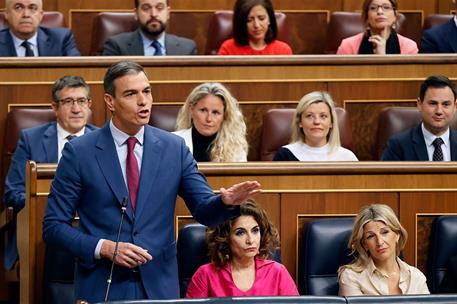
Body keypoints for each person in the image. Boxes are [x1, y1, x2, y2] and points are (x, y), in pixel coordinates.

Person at [42, 61, 261, 302]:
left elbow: (204, 211)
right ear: (110, 101)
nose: (143, 101)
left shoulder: (174, 148)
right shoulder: (79, 152)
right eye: (131, 94)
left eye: (146, 91)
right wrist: (104, 248)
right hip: (103, 285)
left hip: (158, 286)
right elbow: (53, 227)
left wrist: (225, 202)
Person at [3, 75, 95, 270]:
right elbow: (13, 194)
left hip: (91, 231)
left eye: (81, 101)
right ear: (54, 107)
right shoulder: (30, 139)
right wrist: (52, 204)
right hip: (40, 230)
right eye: (68, 102)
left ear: (89, 104)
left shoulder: (103, 140)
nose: (76, 109)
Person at [186, 199, 298, 298]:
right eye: (240, 233)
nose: (250, 240)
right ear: (225, 238)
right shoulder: (205, 275)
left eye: (255, 231)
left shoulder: (278, 272)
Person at [338, 204, 429, 296]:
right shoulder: (351, 277)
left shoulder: (416, 277)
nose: (379, 242)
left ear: (397, 234)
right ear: (364, 244)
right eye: (371, 236)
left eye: (385, 232)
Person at [381, 75, 457, 161]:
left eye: (446, 104)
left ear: (455, 107)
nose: (439, 111)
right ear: (419, 104)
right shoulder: (397, 146)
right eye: (433, 103)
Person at [273, 91, 358, 161]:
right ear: (300, 122)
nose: (317, 122)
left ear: (331, 123)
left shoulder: (347, 157)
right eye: (309, 116)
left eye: (323, 116)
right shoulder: (285, 155)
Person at [174, 82, 248, 162]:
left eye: (215, 112)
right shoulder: (173, 141)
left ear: (225, 115)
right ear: (191, 110)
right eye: (203, 110)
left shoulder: (235, 148)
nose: (209, 119)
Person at [102, 0, 197, 56]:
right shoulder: (117, 47)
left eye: (159, 8)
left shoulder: (187, 48)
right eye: (146, 8)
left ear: (168, 13)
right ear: (136, 14)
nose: (154, 14)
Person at [0, 0, 80, 56]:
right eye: (18, 8)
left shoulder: (62, 39)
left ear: (41, 15)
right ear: (7, 14)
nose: (26, 14)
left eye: (33, 8)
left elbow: (76, 73)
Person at [336, 0, 418, 55]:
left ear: (395, 16)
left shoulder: (409, 47)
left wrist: (382, 57)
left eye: (386, 7)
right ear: (367, 16)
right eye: (373, 8)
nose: (380, 12)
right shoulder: (348, 46)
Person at [218, 0, 292, 55]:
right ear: (241, 22)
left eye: (261, 18)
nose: (256, 25)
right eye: (249, 20)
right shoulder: (228, 49)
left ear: (269, 19)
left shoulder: (283, 50)